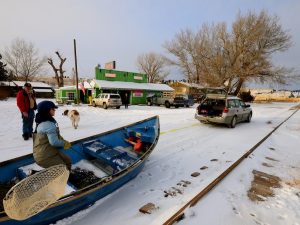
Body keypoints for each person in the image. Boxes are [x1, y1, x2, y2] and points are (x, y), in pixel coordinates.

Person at [33, 100, 72, 171]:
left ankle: (68, 176)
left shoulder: (43, 120)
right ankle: (62, 179)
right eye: (53, 109)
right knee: (63, 169)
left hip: (50, 151)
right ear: (46, 111)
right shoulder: (48, 124)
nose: (55, 110)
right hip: (44, 156)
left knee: (67, 160)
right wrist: (64, 143)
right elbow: (54, 142)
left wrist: (62, 139)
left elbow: (54, 135)